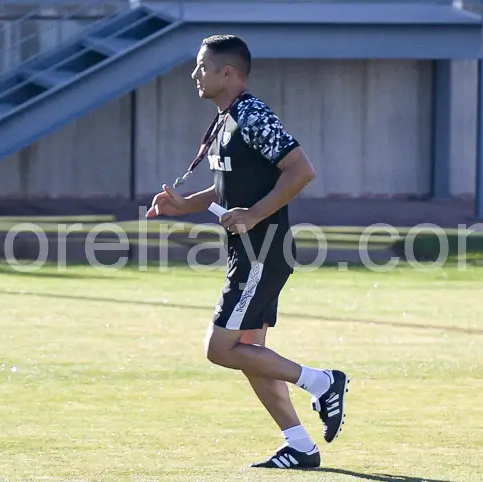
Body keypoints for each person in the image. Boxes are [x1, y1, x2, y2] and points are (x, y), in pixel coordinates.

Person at [146, 34, 349, 470]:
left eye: (202, 66)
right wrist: (184, 205)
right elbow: (228, 184)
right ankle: (299, 445)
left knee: (220, 349)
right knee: (252, 353)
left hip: (261, 253)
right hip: (252, 253)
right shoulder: (227, 119)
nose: (194, 74)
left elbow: (301, 171)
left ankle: (323, 382)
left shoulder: (252, 115)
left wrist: (255, 215)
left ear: (228, 73)